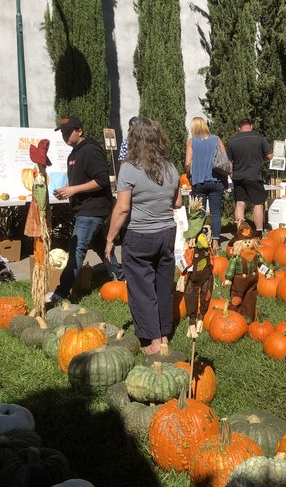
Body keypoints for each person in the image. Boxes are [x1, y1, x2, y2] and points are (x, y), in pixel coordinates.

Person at [105, 118, 182, 354]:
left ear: (134, 141)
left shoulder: (129, 169)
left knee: (142, 288)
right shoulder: (170, 167)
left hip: (140, 235)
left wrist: (109, 240)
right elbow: (177, 202)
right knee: (162, 285)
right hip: (167, 233)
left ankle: (153, 340)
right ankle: (164, 335)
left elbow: (123, 208)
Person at [50, 117, 124, 303]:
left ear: (79, 131)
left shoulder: (90, 151)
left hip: (92, 210)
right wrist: (67, 189)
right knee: (101, 247)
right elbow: (82, 180)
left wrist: (72, 190)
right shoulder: (73, 154)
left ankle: (60, 293)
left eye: (68, 131)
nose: (65, 135)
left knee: (77, 250)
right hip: (85, 210)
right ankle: (122, 278)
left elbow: (101, 180)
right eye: (63, 132)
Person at [185, 116, 226, 251]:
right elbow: (224, 159)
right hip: (216, 180)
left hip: (199, 182)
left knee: (200, 213)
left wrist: (188, 174)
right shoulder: (216, 139)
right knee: (215, 212)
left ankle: (201, 241)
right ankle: (215, 243)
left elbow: (187, 164)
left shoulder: (191, 142)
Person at [226, 118, 272, 235]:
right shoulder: (259, 138)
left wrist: (231, 174)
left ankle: (240, 232)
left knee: (240, 203)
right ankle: (259, 233)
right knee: (257, 204)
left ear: (239, 128)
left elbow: (229, 161)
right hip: (254, 176)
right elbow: (270, 155)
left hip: (238, 176)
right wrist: (262, 160)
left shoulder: (232, 141)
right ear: (251, 126)